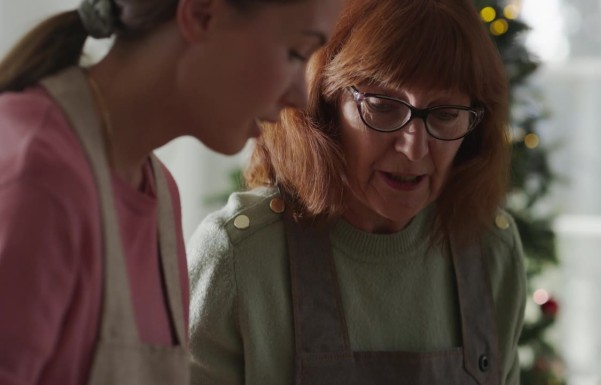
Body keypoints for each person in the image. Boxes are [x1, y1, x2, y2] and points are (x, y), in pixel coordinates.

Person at [0, 0, 342, 383]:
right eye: (297, 53)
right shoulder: (38, 179)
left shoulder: (157, 191)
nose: (299, 95)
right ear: (201, 15)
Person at [188, 0, 527, 384]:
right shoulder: (239, 258)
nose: (414, 149)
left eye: (446, 115)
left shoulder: (491, 252)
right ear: (324, 105)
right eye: (383, 107)